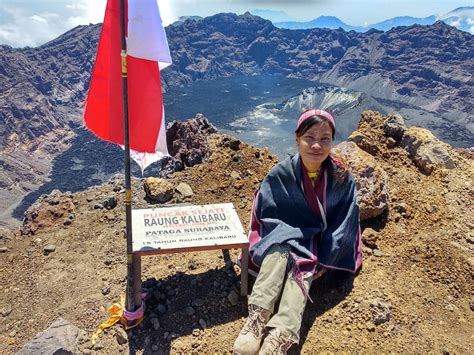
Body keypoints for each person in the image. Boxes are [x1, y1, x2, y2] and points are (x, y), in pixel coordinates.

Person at [233, 108, 363, 354]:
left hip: (320, 238)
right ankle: (258, 317)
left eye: (325, 138)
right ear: (297, 139)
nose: (317, 145)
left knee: (304, 262)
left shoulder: (341, 178)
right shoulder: (281, 174)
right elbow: (266, 214)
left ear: (332, 141)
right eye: (310, 137)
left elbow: (346, 220)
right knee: (278, 252)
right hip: (283, 232)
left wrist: (327, 253)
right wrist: (288, 235)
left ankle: (282, 333)